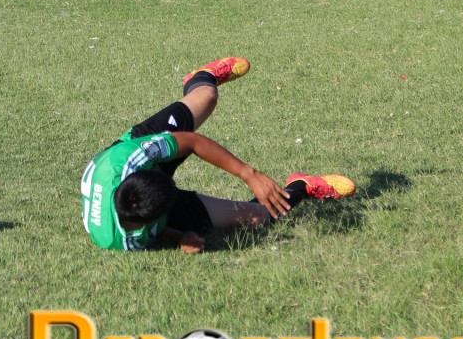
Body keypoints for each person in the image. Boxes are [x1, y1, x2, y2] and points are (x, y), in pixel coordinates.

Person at [80, 57, 356, 252]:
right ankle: (302, 185)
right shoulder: (120, 240)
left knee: (207, 98)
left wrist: (249, 174)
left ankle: (200, 78)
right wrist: (178, 237)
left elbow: (191, 142)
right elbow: (153, 232)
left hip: (132, 152)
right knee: (259, 216)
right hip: (143, 200)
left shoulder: (129, 158)